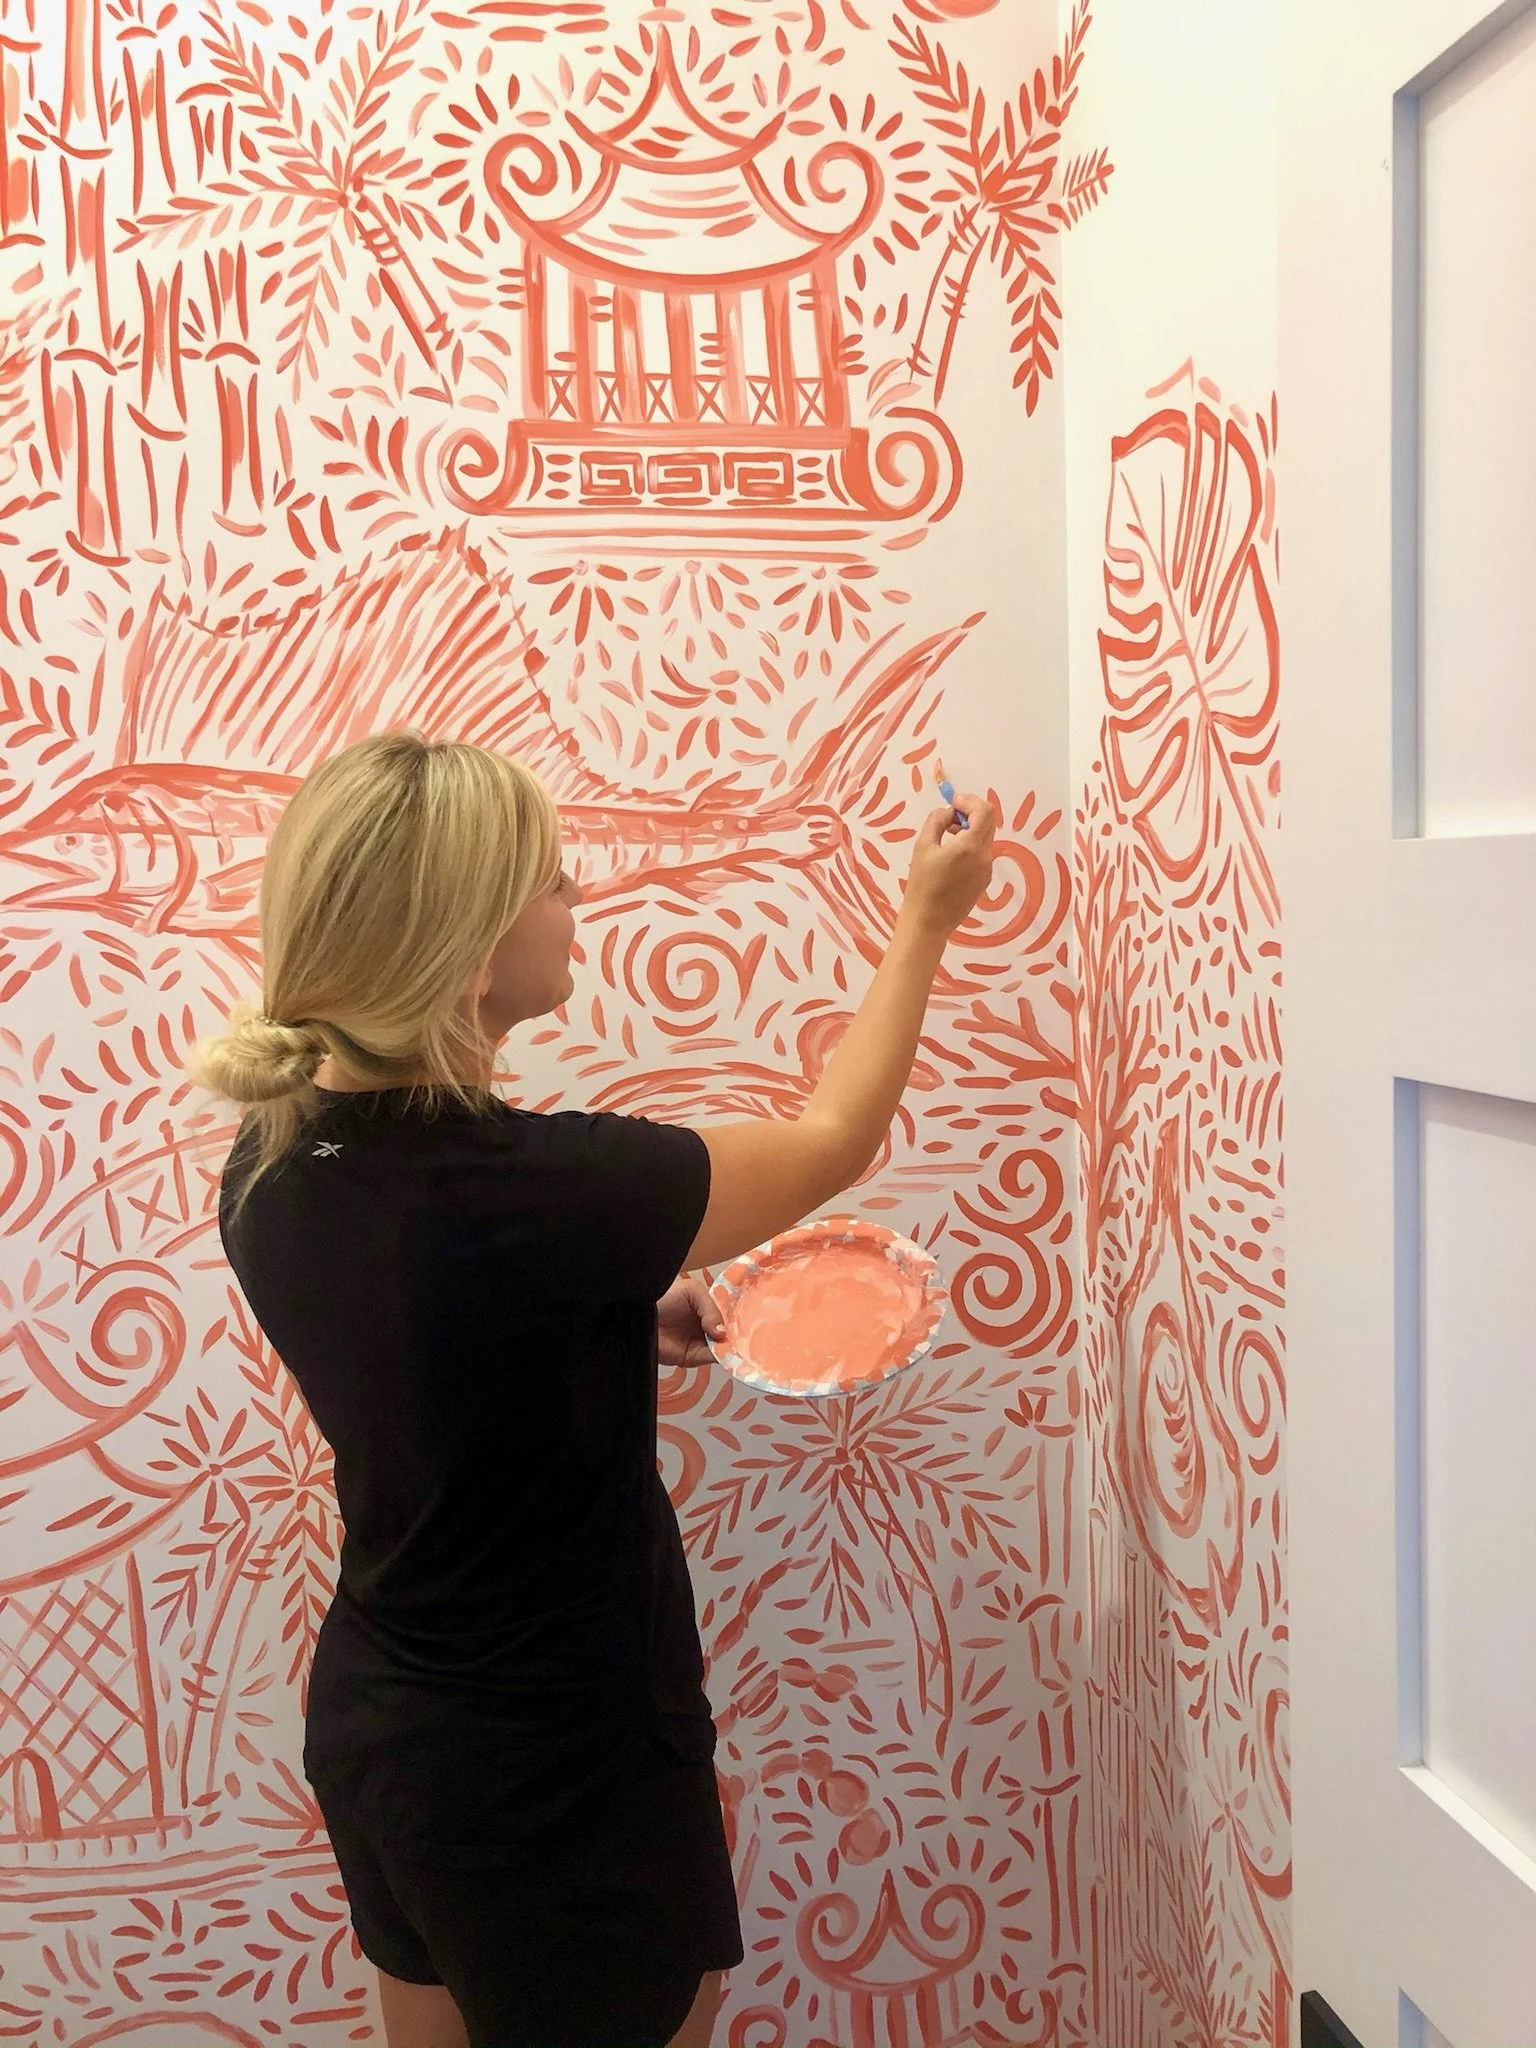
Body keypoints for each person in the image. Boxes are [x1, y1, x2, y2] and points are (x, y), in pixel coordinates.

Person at [195, 731, 995, 2048]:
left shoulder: (275, 1155)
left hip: (386, 1730)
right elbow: (834, 1141)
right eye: (555, 882)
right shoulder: (538, 1190)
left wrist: (607, 1316)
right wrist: (926, 917)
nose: (581, 904)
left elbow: (436, 1344)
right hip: (557, 1761)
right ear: (463, 948)